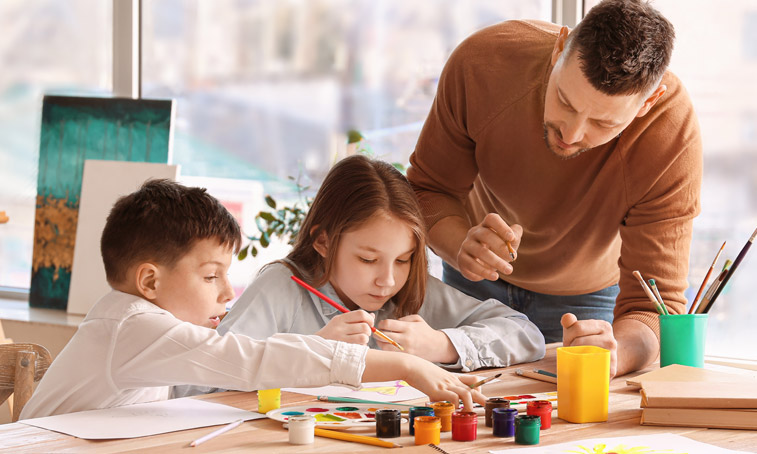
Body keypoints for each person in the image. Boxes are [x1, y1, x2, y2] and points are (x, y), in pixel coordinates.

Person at [20, 179, 487, 420]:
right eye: (210, 276)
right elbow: (250, 358)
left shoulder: (138, 322)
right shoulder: (133, 325)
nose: (226, 292)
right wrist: (406, 366)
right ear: (149, 281)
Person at [406, 0, 702, 377]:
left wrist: (617, 354)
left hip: (586, 304)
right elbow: (426, 190)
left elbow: (655, 308)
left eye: (603, 123)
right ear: (558, 50)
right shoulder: (482, 64)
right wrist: (460, 244)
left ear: (649, 102)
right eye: (564, 100)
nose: (571, 134)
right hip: (474, 282)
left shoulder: (670, 133)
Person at [216, 154, 545, 372]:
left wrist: (443, 345)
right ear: (323, 242)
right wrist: (310, 352)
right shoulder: (282, 286)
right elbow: (197, 380)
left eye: (403, 259)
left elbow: (525, 334)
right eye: (368, 259)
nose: (387, 280)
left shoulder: (410, 292)